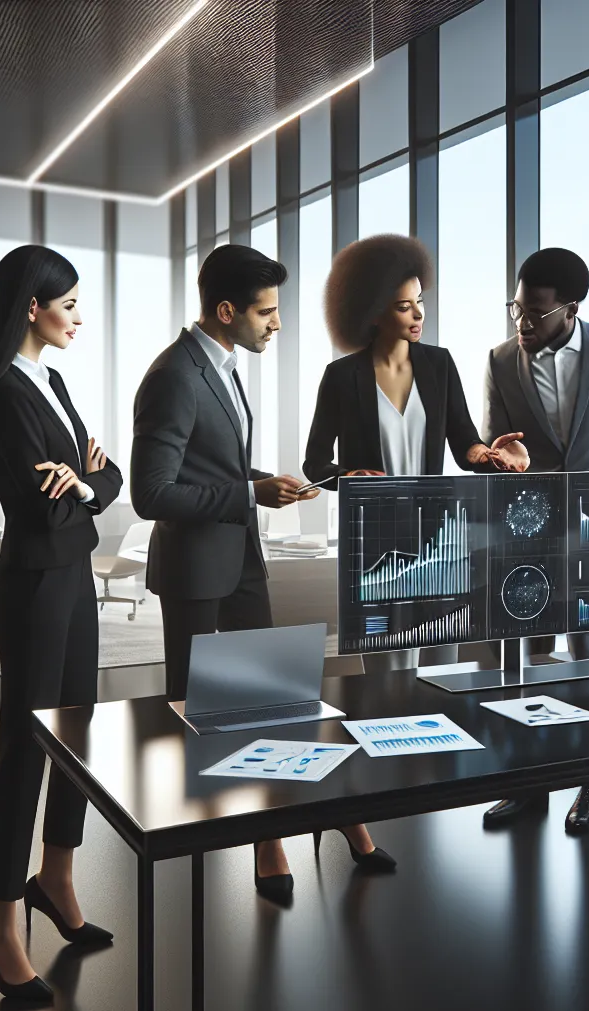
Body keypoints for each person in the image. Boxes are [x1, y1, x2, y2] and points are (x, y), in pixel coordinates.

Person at [131, 243, 378, 906]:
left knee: (274, 697)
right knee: (208, 716)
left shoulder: (224, 364)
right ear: (225, 310)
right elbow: (150, 494)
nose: (276, 324)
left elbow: (213, 467)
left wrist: (277, 481)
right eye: (266, 312)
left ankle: (303, 821)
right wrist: (249, 495)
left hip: (238, 559)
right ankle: (249, 842)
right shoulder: (175, 375)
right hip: (194, 573)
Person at [0, 244, 123, 1002]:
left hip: (74, 576)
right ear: (33, 306)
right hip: (32, 586)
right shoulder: (3, 395)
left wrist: (83, 483)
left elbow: (103, 479)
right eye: (70, 305)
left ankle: (55, 880)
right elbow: (38, 504)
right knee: (26, 750)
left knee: (78, 736)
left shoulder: (51, 381)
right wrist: (83, 486)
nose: (78, 318)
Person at [478, 247, 589, 851]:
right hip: (530, 530)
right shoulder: (501, 360)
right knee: (532, 661)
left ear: (569, 309)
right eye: (516, 309)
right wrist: (500, 465)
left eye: (533, 314)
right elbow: (492, 447)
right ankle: (534, 783)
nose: (520, 324)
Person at [304, 233, 528, 485]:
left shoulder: (439, 364)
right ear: (374, 313)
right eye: (403, 307)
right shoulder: (341, 375)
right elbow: (315, 462)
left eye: (419, 300)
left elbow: (464, 442)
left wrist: (488, 456)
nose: (418, 313)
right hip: (367, 518)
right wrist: (349, 476)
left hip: (427, 517)